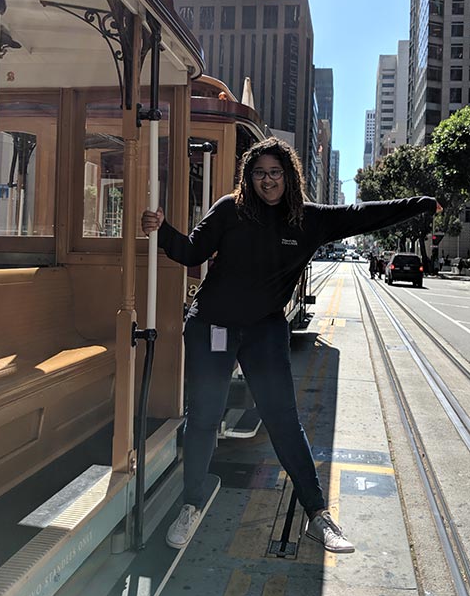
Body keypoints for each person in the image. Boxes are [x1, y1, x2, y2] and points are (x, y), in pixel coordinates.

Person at [141, 137, 441, 555]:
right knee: (205, 415)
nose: (268, 181)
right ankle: (191, 503)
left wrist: (420, 203)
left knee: (282, 419)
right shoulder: (230, 209)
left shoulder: (309, 220)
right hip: (213, 323)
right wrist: (160, 231)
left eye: (275, 173)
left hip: (264, 328)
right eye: (260, 173)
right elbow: (192, 250)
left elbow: (362, 215)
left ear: (289, 176)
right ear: (249, 176)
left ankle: (317, 513)